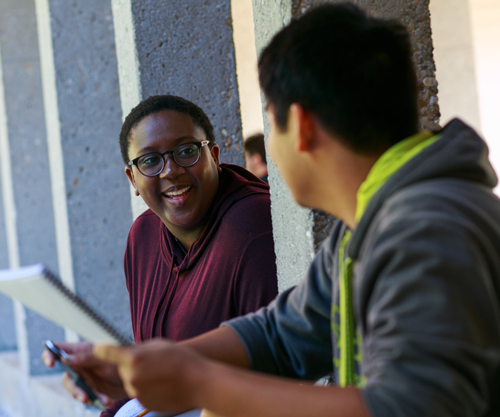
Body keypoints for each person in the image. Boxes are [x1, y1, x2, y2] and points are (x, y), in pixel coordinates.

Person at [54, 4, 500, 417]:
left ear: (301, 127)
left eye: (269, 118)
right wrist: (142, 364)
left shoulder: (427, 227)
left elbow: (411, 407)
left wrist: (200, 383)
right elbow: (283, 333)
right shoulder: (368, 224)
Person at [42, 95, 278, 415]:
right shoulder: (144, 237)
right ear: (133, 179)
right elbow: (149, 364)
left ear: (214, 156)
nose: (171, 171)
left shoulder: (252, 226)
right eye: (150, 160)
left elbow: (272, 371)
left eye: (186, 151)